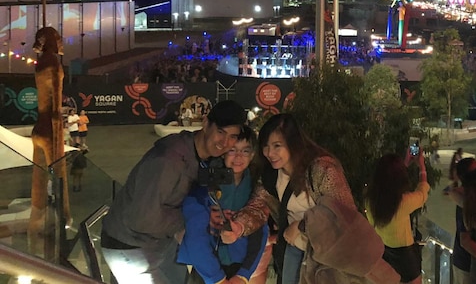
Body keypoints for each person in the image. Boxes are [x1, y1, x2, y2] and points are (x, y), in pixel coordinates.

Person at [227, 113, 398, 284]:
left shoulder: (322, 169)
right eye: (265, 146)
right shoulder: (271, 175)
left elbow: (343, 214)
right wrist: (239, 226)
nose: (270, 153)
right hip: (295, 248)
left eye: (277, 145)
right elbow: (257, 207)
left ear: (293, 144)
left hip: (326, 255)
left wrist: (302, 225)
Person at [101, 99, 247, 284]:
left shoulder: (201, 156)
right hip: (129, 246)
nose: (225, 142)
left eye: (232, 136)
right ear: (205, 123)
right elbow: (142, 218)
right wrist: (195, 219)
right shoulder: (168, 160)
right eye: (220, 132)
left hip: (160, 244)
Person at [178, 125, 269, 284]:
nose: (238, 157)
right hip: (207, 268)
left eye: (245, 151)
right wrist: (216, 278)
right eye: (232, 150)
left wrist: (244, 274)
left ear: (253, 154)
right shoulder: (205, 182)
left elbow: (260, 229)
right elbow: (195, 233)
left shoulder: (255, 187)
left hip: (238, 268)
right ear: (222, 153)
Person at [365, 150, 430, 284]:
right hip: (405, 255)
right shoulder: (402, 202)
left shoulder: (370, 199)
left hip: (384, 250)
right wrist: (422, 167)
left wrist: (404, 163)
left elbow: (389, 181)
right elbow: (423, 192)